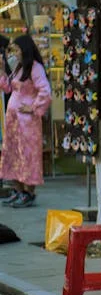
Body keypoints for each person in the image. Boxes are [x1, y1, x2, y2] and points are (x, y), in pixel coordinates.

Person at [0, 35, 52, 208]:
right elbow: (8, 87)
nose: (14, 53)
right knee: (14, 153)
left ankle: (29, 192)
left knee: (28, 155)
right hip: (13, 121)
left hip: (27, 122)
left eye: (17, 49)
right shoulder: (19, 68)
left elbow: (45, 91)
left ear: (25, 49)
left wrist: (33, 107)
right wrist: (2, 71)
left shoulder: (35, 68)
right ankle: (18, 190)